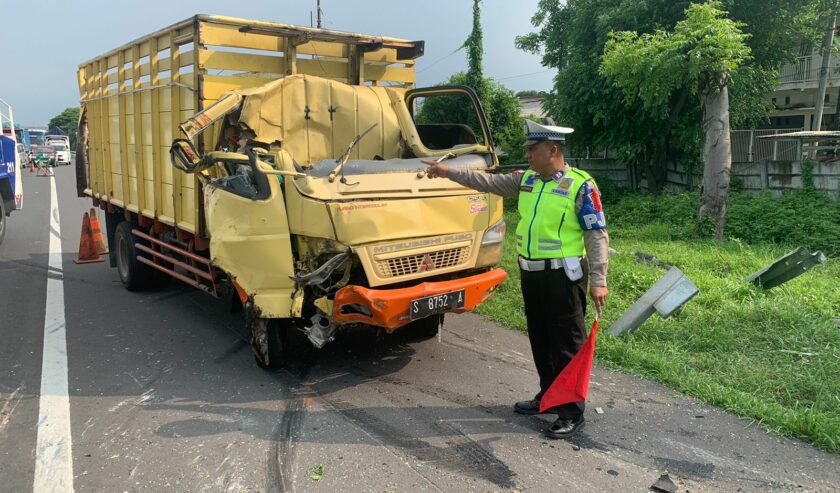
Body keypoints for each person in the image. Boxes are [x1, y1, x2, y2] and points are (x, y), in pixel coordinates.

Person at [422, 120, 609, 439]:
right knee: (540, 338)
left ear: (553, 150)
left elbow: (596, 233)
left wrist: (599, 280)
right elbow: (485, 181)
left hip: (564, 276)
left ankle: (571, 412)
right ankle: (548, 396)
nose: (528, 155)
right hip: (532, 274)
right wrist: (446, 171)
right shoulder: (527, 181)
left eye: (533, 149)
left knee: (567, 343)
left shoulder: (581, 186)